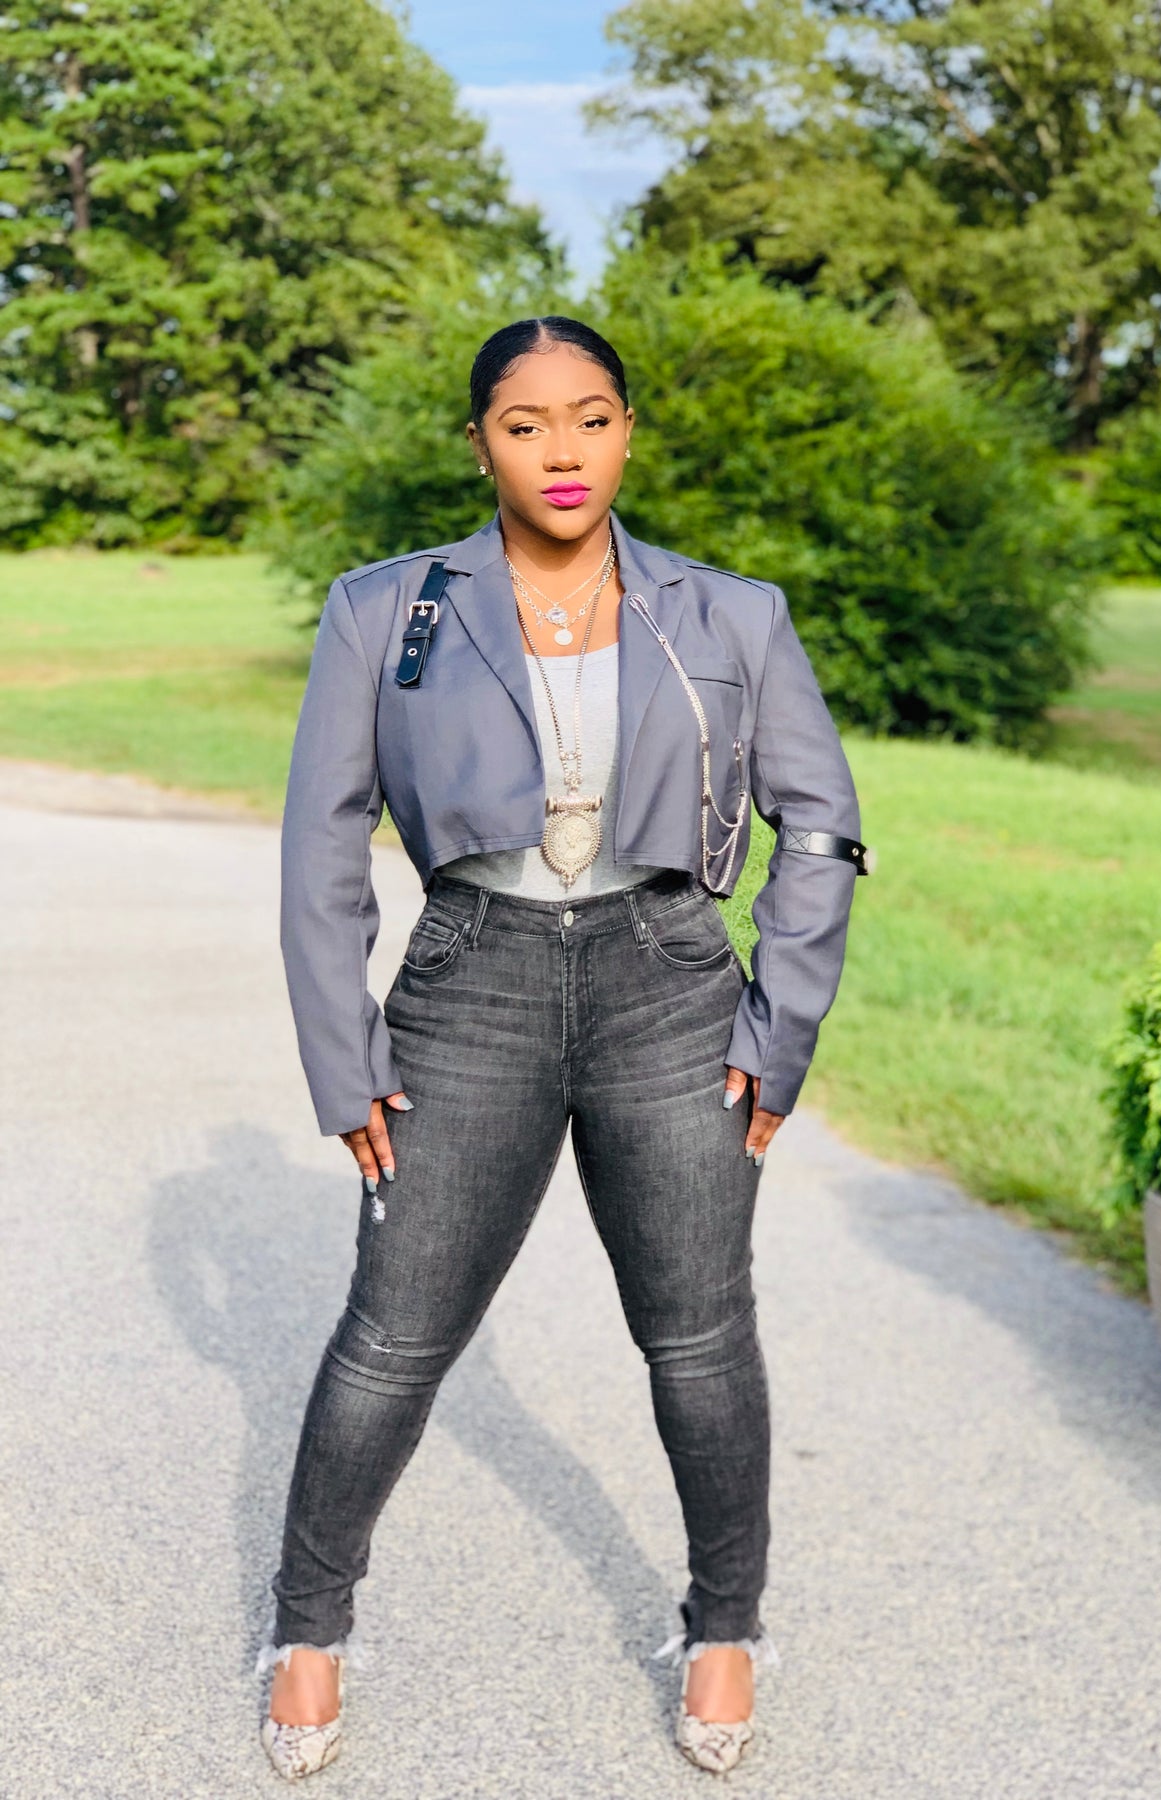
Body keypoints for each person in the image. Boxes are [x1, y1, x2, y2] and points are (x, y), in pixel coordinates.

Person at [257, 315, 869, 1781]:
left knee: (699, 1338)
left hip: (671, 985)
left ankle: (723, 1628)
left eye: (590, 418)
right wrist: (343, 1057)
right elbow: (320, 847)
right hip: (470, 984)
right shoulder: (384, 609)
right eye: (524, 424)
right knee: (392, 1337)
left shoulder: (731, 615)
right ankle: (307, 1628)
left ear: (628, 430)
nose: (562, 451)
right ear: (479, 443)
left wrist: (779, 1027)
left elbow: (819, 825)